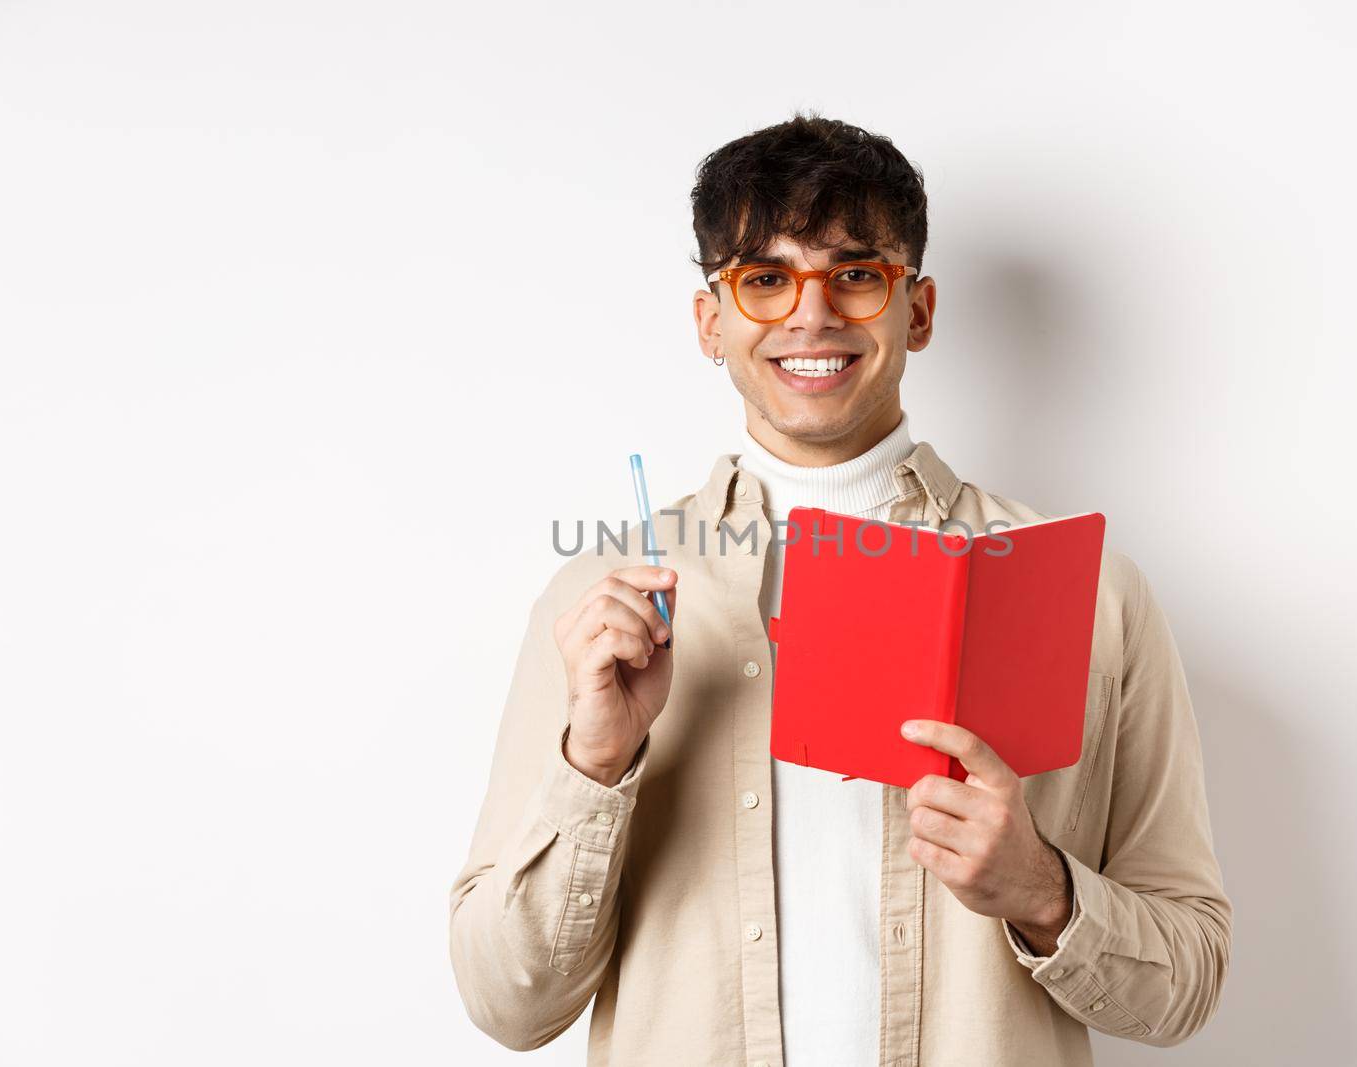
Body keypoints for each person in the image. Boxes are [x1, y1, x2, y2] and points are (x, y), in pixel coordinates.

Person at [447, 111, 1232, 1066]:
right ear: (712, 321)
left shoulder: (1088, 592)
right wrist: (596, 761)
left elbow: (1189, 981)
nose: (810, 314)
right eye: (764, 279)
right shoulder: (605, 600)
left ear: (919, 309)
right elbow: (507, 1003)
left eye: (856, 274)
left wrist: (1044, 890)